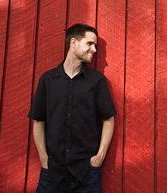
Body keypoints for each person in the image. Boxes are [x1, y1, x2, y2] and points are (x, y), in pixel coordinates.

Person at [28, 23, 117, 193]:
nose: (94, 50)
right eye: (90, 44)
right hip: (53, 173)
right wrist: (44, 159)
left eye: (95, 45)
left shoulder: (97, 81)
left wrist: (99, 158)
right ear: (74, 43)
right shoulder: (48, 80)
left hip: (87, 173)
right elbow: (38, 121)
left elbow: (108, 119)